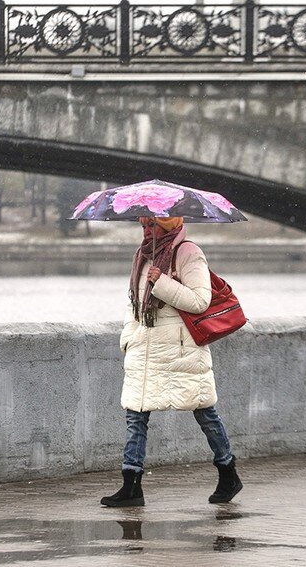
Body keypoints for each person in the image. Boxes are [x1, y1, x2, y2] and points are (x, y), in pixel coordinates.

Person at [100, 215, 243, 507]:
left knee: (204, 411)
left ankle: (228, 472)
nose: (146, 231)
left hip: (180, 350)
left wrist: (162, 282)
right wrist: (129, 337)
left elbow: (200, 301)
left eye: (152, 225)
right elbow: (134, 303)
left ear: (167, 225)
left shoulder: (189, 252)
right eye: (143, 225)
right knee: (136, 415)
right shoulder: (142, 256)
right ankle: (131, 485)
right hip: (145, 348)